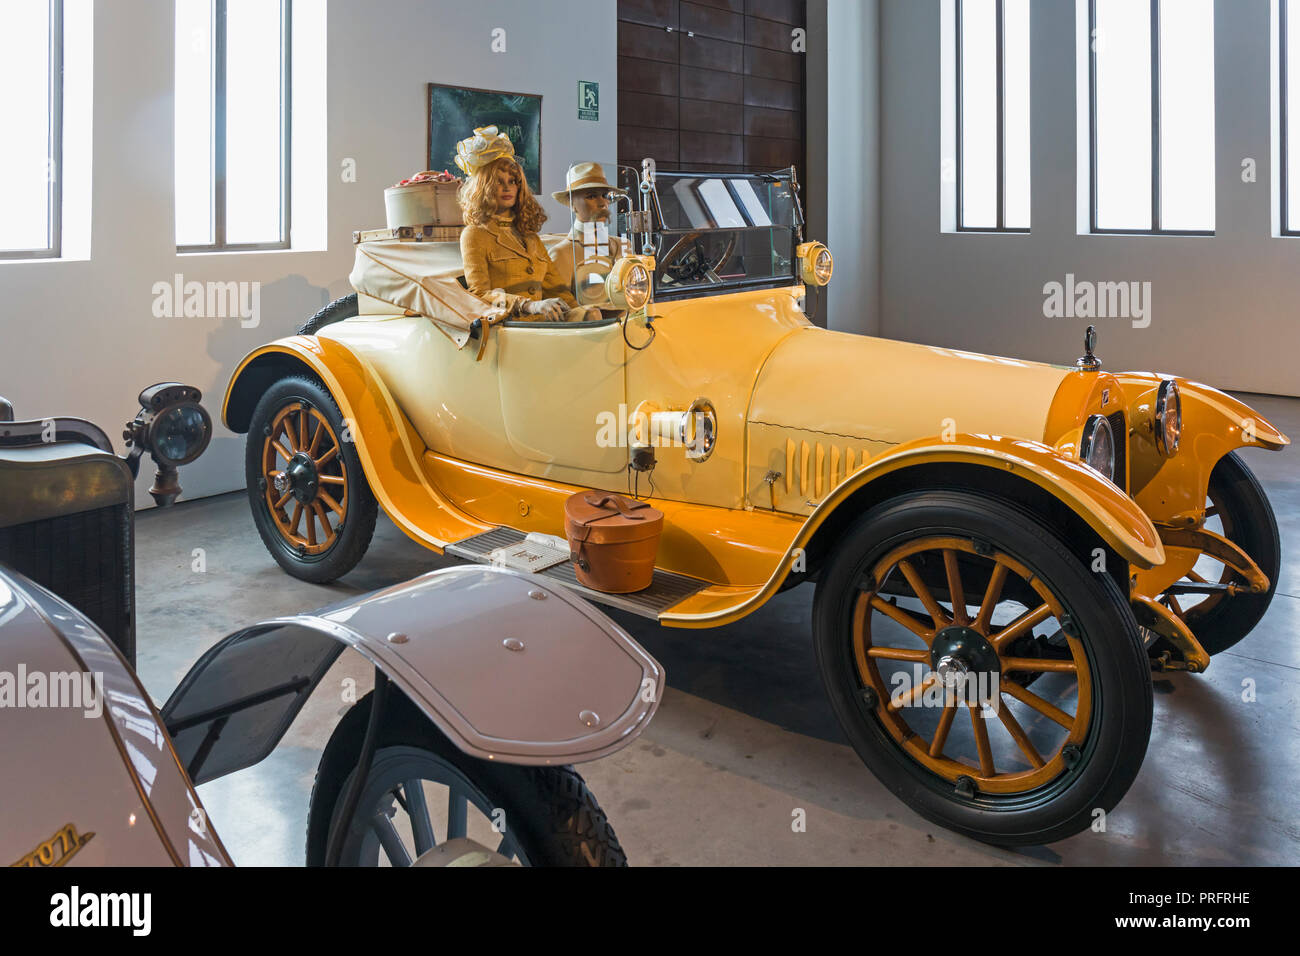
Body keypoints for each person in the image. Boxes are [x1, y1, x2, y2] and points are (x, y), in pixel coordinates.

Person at [454, 127, 594, 322]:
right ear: (484, 186)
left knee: (595, 316)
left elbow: (555, 288)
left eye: (513, 181)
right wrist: (529, 305)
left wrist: (581, 312)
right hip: (511, 326)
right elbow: (479, 294)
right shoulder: (475, 234)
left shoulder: (529, 235)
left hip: (541, 325)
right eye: (498, 181)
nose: (507, 187)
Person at [545, 162, 628, 315]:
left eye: (604, 196)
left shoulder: (623, 245)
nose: (603, 203)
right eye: (591, 196)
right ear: (572, 204)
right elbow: (563, 313)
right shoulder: (562, 253)